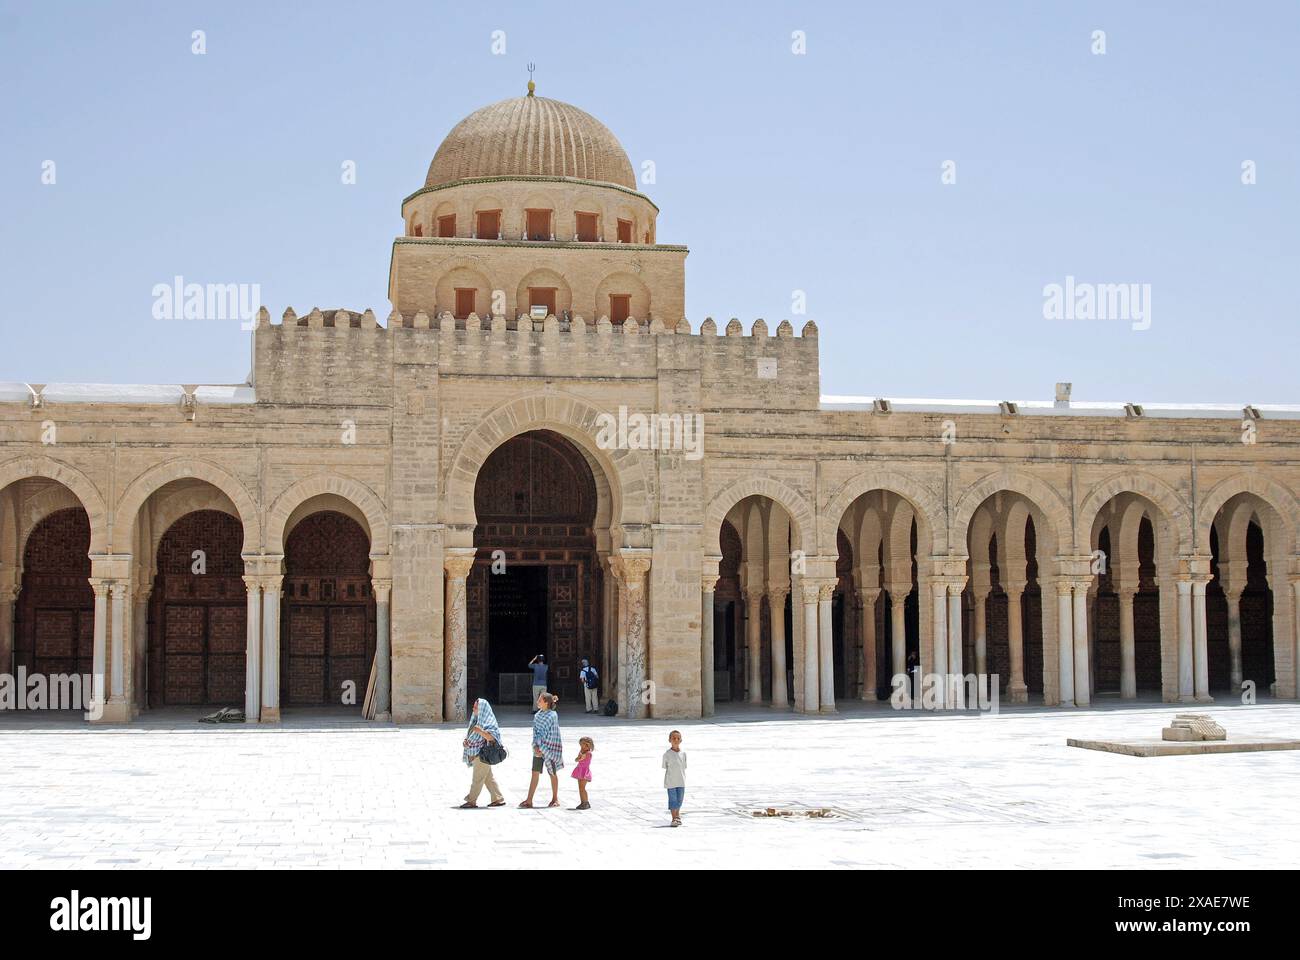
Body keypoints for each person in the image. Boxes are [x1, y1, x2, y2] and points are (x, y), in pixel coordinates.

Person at [459, 698, 506, 809]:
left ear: (482, 709)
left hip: (482, 753)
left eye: (476, 707)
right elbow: (471, 735)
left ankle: (471, 800)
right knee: (488, 777)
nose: (473, 709)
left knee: (478, 779)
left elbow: (492, 738)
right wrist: (466, 741)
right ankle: (497, 798)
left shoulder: (489, 721)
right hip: (475, 752)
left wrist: (480, 731)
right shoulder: (476, 720)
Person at [519, 691, 564, 808]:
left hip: (549, 748)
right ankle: (529, 800)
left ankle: (555, 798)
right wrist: (535, 746)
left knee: (552, 773)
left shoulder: (553, 715)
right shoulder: (537, 715)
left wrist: (542, 747)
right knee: (535, 773)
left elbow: (550, 732)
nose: (537, 702)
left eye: (540, 700)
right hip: (538, 748)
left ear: (546, 702)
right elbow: (536, 731)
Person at [662, 729, 687, 827]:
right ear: (669, 740)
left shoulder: (683, 754)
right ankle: (674, 818)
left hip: (681, 781)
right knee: (673, 800)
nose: (676, 740)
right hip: (671, 781)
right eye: (673, 738)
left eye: (678, 738)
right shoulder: (667, 754)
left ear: (681, 740)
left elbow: (684, 766)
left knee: (679, 800)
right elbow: (665, 766)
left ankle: (677, 815)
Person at [571, 736, 594, 809]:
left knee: (582, 788)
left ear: (587, 745)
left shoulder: (588, 753)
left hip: (584, 771)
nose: (581, 746)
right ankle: (582, 802)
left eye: (582, 744)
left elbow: (580, 759)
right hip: (579, 770)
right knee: (580, 788)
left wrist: (579, 757)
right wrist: (579, 756)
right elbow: (576, 760)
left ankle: (586, 802)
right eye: (580, 745)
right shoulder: (581, 752)